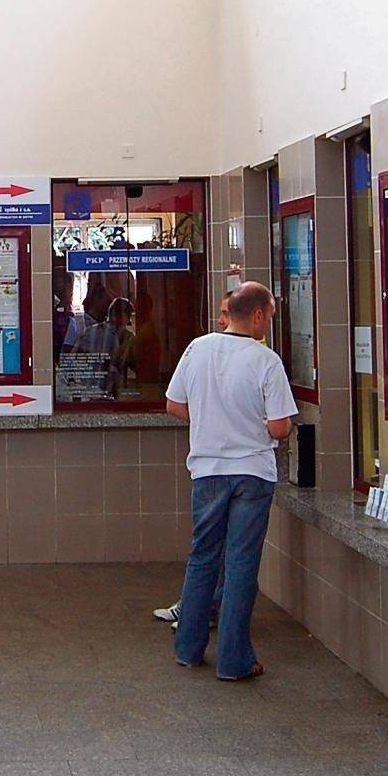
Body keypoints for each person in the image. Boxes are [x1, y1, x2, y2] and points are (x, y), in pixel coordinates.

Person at [166, 282, 296, 680]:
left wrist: (209, 422)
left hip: (206, 470)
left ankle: (188, 648)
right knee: (240, 565)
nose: (269, 325)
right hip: (252, 473)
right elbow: (279, 427)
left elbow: (174, 404)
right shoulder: (266, 361)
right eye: (269, 317)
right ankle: (234, 660)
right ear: (257, 315)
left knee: (203, 557)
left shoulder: (197, 348)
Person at [154, 292, 231, 627]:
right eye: (221, 313)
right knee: (216, 548)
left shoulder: (259, 358)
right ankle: (202, 610)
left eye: (227, 313)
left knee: (216, 548)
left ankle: (203, 613)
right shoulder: (202, 351)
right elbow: (174, 402)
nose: (221, 320)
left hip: (221, 468)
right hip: (221, 466)